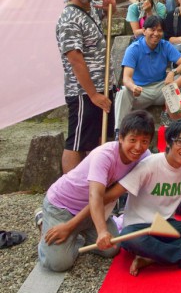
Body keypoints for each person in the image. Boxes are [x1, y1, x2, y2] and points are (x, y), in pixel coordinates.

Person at [37, 110, 154, 272]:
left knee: (111, 249)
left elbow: (163, 165)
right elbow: (96, 196)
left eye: (144, 141)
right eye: (132, 140)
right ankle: (44, 221)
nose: (138, 147)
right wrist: (100, 231)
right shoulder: (104, 155)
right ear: (120, 137)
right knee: (58, 264)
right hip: (62, 205)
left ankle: (75, 234)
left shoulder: (145, 157)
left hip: (94, 209)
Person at [112, 120, 181, 276]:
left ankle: (154, 258)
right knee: (127, 237)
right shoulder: (149, 165)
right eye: (180, 142)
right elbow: (112, 194)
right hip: (141, 229)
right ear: (169, 142)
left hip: (166, 226)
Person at [56, 0, 117, 173]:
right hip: (84, 92)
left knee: (95, 141)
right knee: (77, 142)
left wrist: (111, 8)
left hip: (103, 86)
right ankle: (69, 192)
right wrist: (93, 95)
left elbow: (105, 17)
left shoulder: (89, 9)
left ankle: (91, 189)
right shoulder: (69, 18)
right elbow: (75, 60)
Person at [114, 16, 181, 130]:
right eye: (152, 29)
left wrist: (173, 72)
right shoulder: (134, 48)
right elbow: (126, 78)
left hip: (162, 88)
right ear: (144, 31)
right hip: (141, 91)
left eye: (159, 30)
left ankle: (176, 115)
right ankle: (119, 130)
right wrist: (133, 87)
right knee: (123, 91)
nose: (156, 33)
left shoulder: (165, 45)